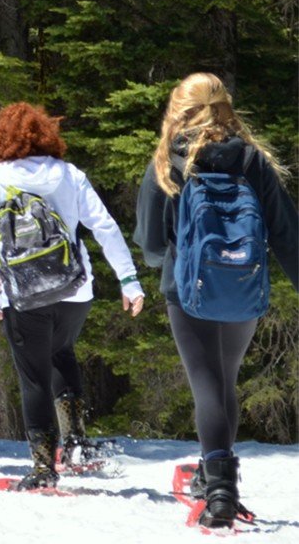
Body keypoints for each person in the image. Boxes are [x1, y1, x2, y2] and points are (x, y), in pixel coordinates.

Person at [134, 73, 299, 529]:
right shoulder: (251, 159)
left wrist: (165, 257)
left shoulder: (169, 161)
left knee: (206, 384)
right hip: (243, 287)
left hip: (187, 290)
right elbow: (286, 233)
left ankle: (220, 492)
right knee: (224, 380)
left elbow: (149, 242)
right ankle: (216, 477)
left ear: (179, 109)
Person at [0, 102, 145, 490]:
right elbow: (104, 225)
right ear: (46, 134)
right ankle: (76, 443)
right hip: (73, 288)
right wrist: (128, 280)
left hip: (24, 292)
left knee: (33, 377)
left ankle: (42, 467)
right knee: (61, 353)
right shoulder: (69, 174)